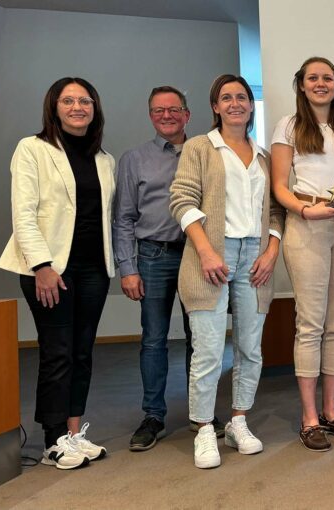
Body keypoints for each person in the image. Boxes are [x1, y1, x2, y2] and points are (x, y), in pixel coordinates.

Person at [170, 74, 285, 468]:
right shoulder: (200, 147)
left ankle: (238, 421)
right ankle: (204, 428)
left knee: (250, 348)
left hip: (255, 256)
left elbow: (275, 211)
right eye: (226, 98)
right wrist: (205, 251)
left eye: (242, 97)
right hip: (211, 255)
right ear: (215, 107)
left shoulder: (264, 156)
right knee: (207, 350)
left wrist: (271, 251)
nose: (235, 103)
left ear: (251, 106)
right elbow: (181, 200)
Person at [0, 77, 113, 469]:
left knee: (82, 352)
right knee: (57, 352)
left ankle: (73, 432)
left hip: (94, 269)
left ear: (94, 108)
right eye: (68, 100)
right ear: (54, 107)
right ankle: (52, 441)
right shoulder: (32, 149)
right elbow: (23, 213)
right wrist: (41, 266)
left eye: (85, 100)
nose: (78, 107)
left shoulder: (105, 159)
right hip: (50, 269)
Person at [113, 86, 225, 452]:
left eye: (174, 109)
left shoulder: (206, 152)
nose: (167, 116)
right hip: (154, 256)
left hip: (198, 254)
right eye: (159, 110)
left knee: (201, 338)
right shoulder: (134, 159)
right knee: (154, 338)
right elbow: (123, 218)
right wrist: (127, 267)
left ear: (187, 115)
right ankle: (153, 416)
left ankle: (201, 413)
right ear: (151, 116)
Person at [271, 57, 334, 452]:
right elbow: (279, 185)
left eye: (328, 78)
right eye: (313, 78)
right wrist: (306, 210)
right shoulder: (289, 126)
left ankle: (330, 411)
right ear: (302, 84)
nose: (321, 83)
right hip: (307, 222)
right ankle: (309, 418)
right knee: (310, 323)